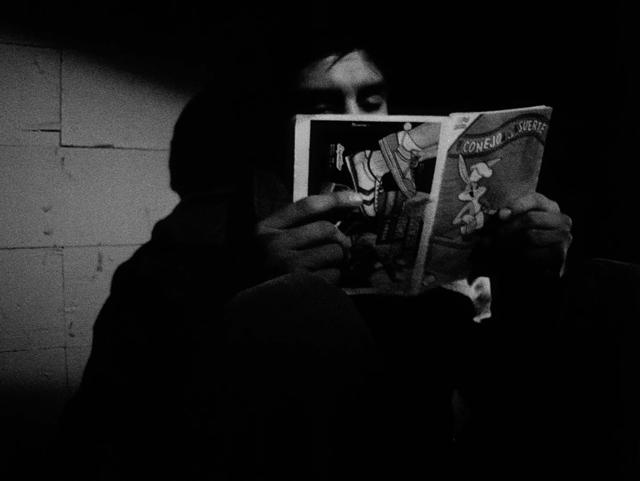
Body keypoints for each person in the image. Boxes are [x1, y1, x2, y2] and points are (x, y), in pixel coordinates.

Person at [59, 19, 573, 481]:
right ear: (272, 123)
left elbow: (493, 391)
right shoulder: (191, 246)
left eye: (371, 101)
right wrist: (249, 291)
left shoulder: (430, 214)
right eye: (320, 107)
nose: (359, 123)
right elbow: (109, 427)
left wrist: (529, 282)